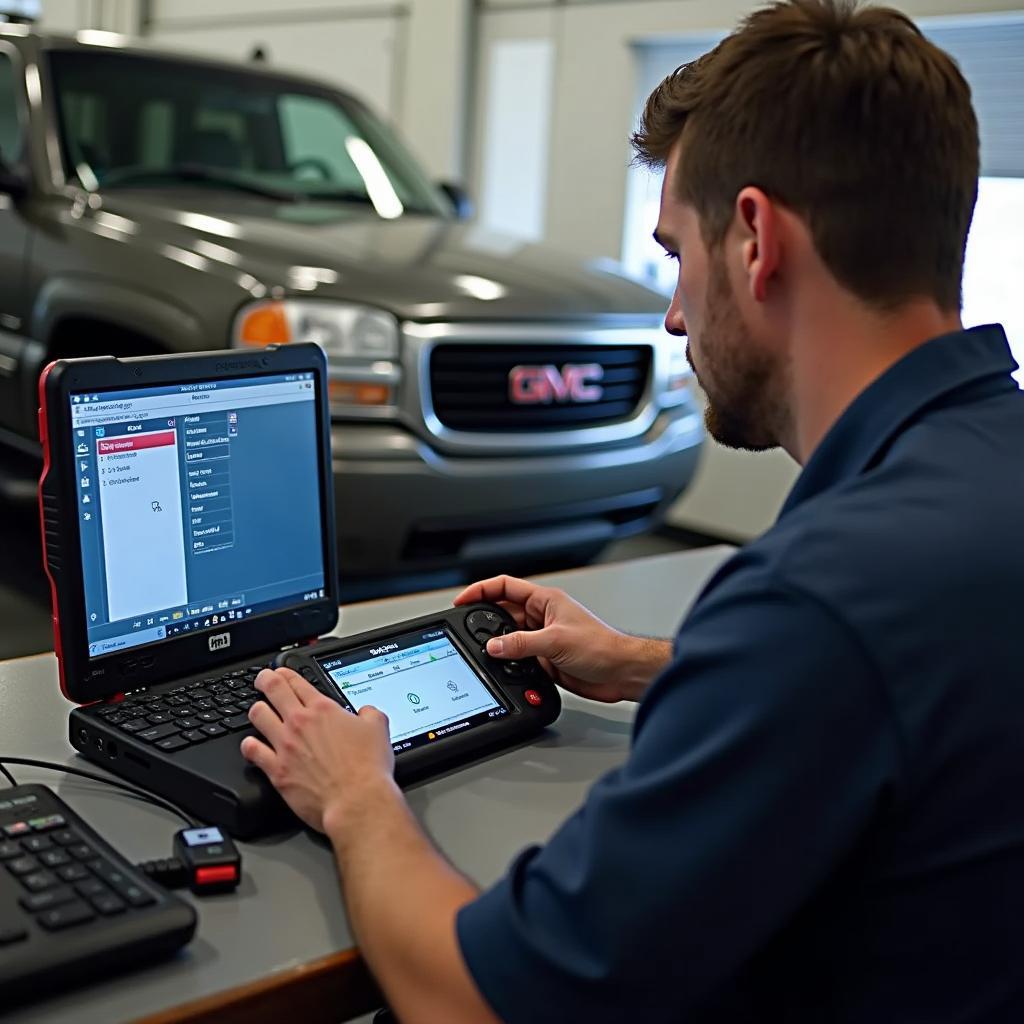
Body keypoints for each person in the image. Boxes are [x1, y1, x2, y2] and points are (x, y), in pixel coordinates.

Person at [240, 1, 1024, 1020]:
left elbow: (474, 1000)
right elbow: (933, 680)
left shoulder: (820, 600)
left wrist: (353, 794)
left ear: (753, 238)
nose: (671, 311)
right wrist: (662, 666)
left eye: (675, 255)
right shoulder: (980, 479)